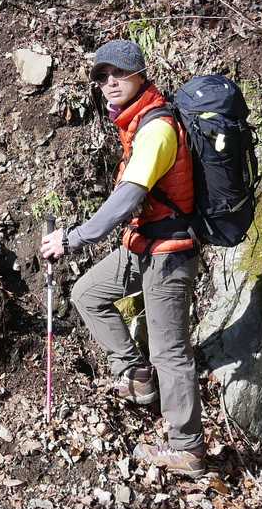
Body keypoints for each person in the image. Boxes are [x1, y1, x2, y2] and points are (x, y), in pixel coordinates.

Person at [39, 39, 207, 475]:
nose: (110, 82)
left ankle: (187, 448)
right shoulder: (134, 122)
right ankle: (137, 376)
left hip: (169, 254)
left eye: (119, 73)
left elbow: (129, 196)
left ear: (140, 75)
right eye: (102, 76)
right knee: (87, 293)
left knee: (170, 351)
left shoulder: (157, 128)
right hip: (142, 245)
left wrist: (74, 238)